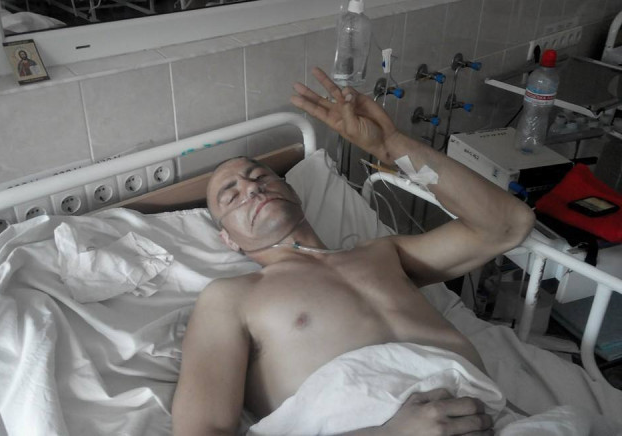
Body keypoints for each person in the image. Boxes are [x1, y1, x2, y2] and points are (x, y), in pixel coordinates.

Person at [172, 67, 535, 435]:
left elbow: (507, 225)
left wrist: (390, 145)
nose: (252, 188)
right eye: (231, 196)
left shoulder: (383, 255)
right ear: (229, 240)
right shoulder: (231, 298)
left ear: (293, 192)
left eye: (260, 177)